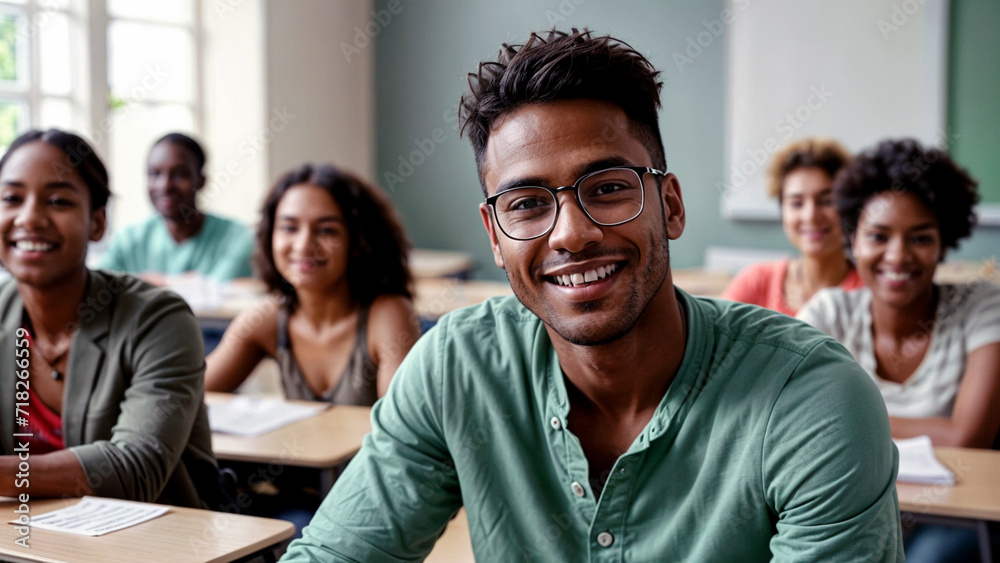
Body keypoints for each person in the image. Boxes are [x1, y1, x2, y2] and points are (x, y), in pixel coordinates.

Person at [282, 29, 903, 561]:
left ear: (671, 205)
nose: (572, 234)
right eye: (526, 204)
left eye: (606, 188)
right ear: (495, 239)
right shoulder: (455, 369)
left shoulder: (811, 398)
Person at [797, 138, 1000, 563]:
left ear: (945, 241)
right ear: (853, 238)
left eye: (921, 238)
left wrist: (846, 422)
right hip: (848, 507)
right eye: (879, 236)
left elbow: (967, 436)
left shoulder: (982, 306)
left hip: (951, 517)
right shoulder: (828, 313)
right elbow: (795, 423)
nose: (898, 256)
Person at [0, 129, 223, 508]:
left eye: (57, 201)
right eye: (11, 198)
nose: (30, 218)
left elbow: (135, 468)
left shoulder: (159, 320)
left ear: (98, 222)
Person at [205, 163, 420, 402]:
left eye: (326, 230)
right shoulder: (267, 318)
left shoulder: (388, 314)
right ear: (270, 236)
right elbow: (186, 393)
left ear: (358, 241)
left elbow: (401, 430)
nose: (304, 245)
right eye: (289, 228)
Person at [722, 137, 863, 315]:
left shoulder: (869, 291)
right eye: (797, 203)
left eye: (826, 201)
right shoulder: (758, 281)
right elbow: (715, 337)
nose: (811, 216)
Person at [100, 132, 254, 283]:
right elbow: (97, 285)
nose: (165, 186)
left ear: (201, 181)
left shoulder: (238, 238)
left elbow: (218, 291)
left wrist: (147, 282)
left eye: (180, 175)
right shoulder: (129, 240)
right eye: (155, 174)